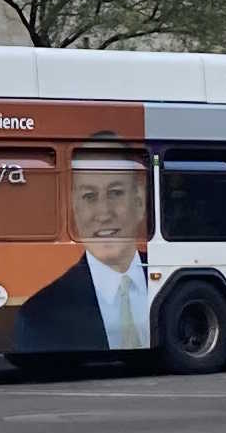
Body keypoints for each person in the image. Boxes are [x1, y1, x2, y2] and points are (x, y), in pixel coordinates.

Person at [12, 141, 150, 353]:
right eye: (89, 197)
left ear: (139, 203)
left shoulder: (164, 275)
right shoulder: (37, 315)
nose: (104, 213)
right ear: (74, 211)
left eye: (115, 193)